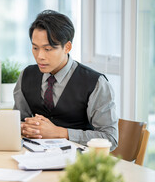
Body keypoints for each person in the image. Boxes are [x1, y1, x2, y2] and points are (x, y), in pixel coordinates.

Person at [13, 10, 118, 149]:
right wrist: (24, 127)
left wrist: (60, 133)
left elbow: (110, 138)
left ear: (67, 47)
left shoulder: (96, 83)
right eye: (35, 48)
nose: (40, 56)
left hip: (78, 163)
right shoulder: (27, 75)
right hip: (33, 157)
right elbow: (18, 122)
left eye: (48, 49)